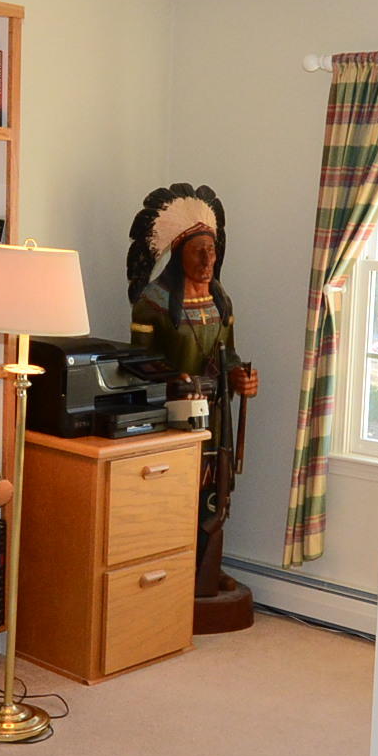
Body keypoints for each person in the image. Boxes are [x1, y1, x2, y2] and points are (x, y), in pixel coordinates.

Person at [125, 184, 259, 629]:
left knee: (215, 491)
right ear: (178, 254)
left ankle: (206, 566)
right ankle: (176, 569)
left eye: (212, 250)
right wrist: (174, 380)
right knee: (177, 493)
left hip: (215, 413)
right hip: (173, 418)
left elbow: (229, 353)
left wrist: (239, 376)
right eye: (198, 251)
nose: (207, 259)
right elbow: (139, 363)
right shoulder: (153, 302)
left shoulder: (221, 300)